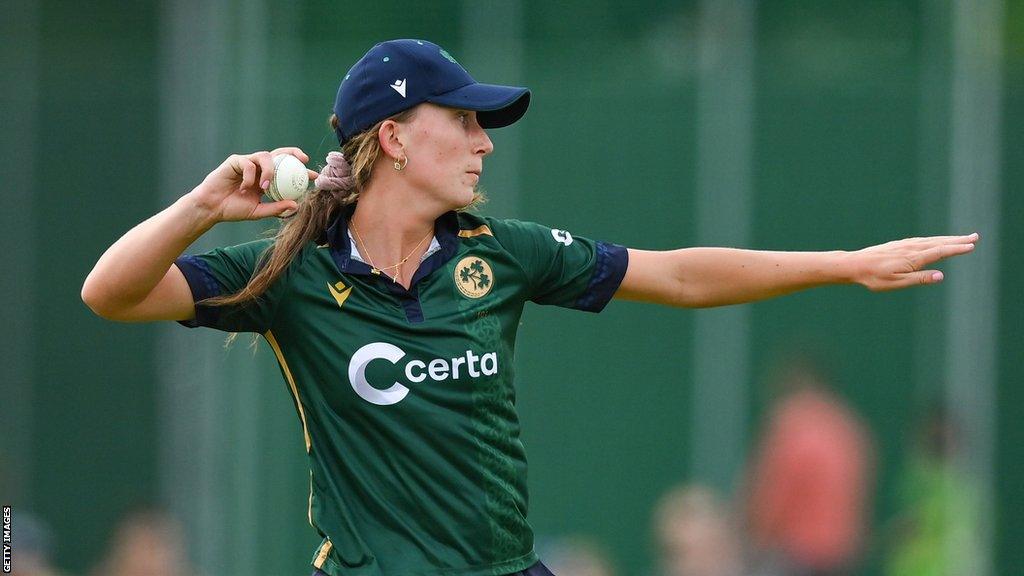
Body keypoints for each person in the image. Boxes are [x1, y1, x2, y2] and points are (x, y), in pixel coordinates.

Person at [80, 38, 978, 576]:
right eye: (463, 121)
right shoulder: (293, 275)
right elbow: (109, 293)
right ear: (393, 137)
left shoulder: (498, 253)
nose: (483, 144)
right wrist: (204, 205)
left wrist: (845, 263)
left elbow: (679, 276)